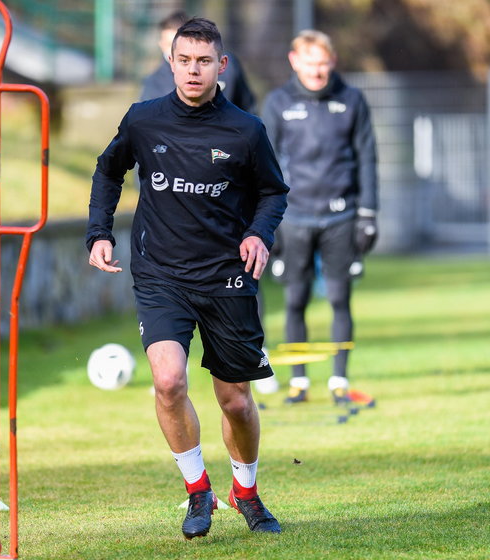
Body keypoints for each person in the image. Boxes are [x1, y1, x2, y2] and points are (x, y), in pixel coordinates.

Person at [87, 18, 287, 539]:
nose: (193, 70)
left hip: (227, 276)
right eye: (184, 60)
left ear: (222, 66)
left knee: (236, 400)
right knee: (168, 379)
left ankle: (246, 492)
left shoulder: (246, 129)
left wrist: (259, 235)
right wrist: (98, 233)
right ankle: (198, 491)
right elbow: (110, 171)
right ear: (170, 62)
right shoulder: (144, 119)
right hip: (161, 275)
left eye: (204, 61)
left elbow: (273, 192)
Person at [260, 30, 379, 406]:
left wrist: (368, 214)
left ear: (333, 61)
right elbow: (264, 165)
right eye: (310, 63)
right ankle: (299, 382)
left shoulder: (352, 100)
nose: (317, 70)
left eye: (323, 63)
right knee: (295, 300)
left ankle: (339, 381)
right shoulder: (278, 103)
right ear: (295, 61)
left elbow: (367, 159)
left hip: (340, 217)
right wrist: (267, 223)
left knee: (340, 299)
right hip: (293, 218)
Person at [139, 10, 256, 113]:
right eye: (169, 44)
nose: (193, 70)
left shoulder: (230, 67)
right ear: (161, 45)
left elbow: (247, 107)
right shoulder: (153, 83)